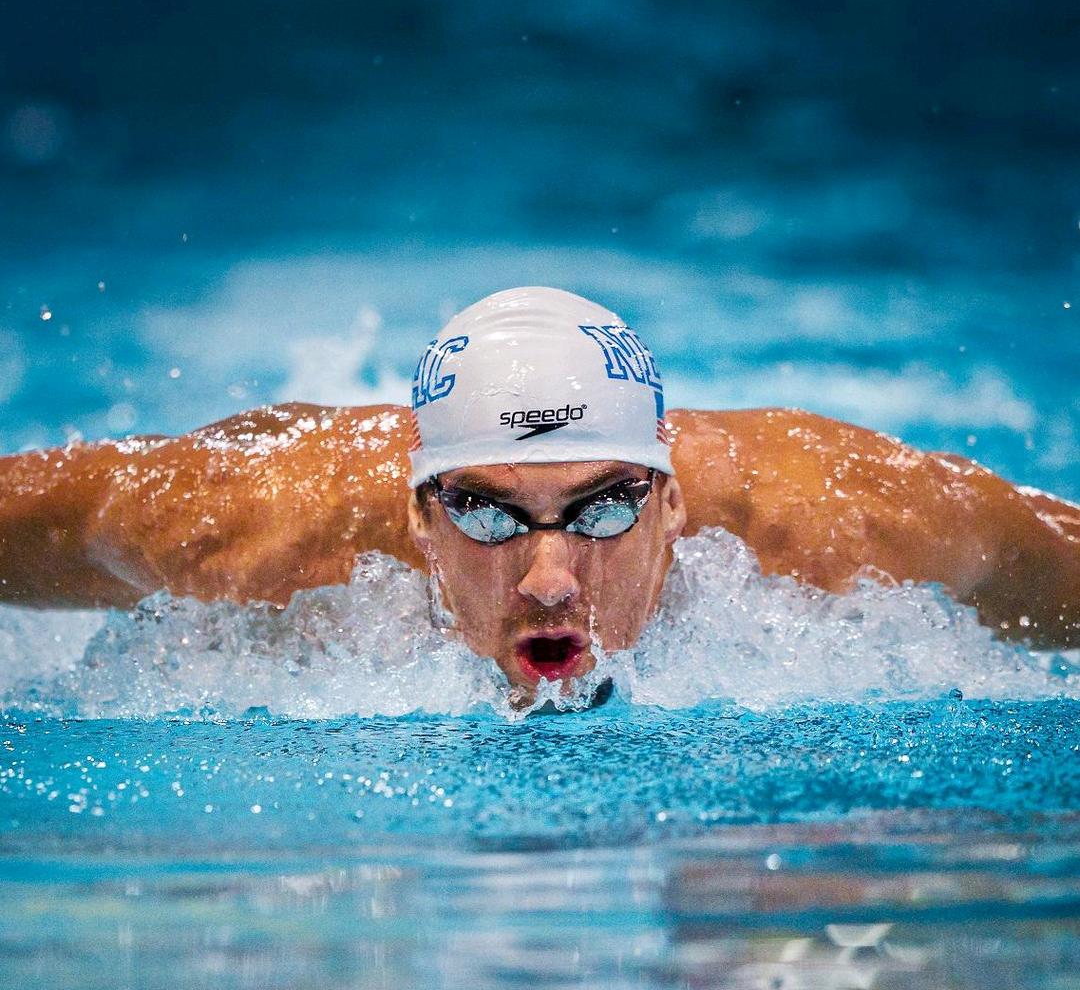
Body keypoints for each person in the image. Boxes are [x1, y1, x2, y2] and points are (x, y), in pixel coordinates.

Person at [0, 287, 1076, 708]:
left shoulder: (846, 522)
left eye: (605, 506)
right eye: (485, 513)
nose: (551, 577)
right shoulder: (246, 532)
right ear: (417, 516)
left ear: (675, 500)